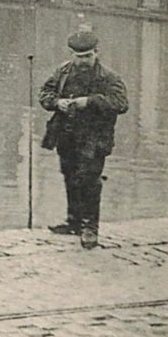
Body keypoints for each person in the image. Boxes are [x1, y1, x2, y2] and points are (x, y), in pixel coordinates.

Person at [38, 29, 128, 249]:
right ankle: (73, 222)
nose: (84, 61)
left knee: (89, 180)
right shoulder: (62, 72)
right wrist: (56, 103)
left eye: (88, 56)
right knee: (70, 176)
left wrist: (89, 102)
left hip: (95, 138)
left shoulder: (109, 77)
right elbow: (44, 93)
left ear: (96, 53)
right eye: (79, 57)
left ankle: (90, 228)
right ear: (71, 54)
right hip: (66, 135)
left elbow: (121, 104)